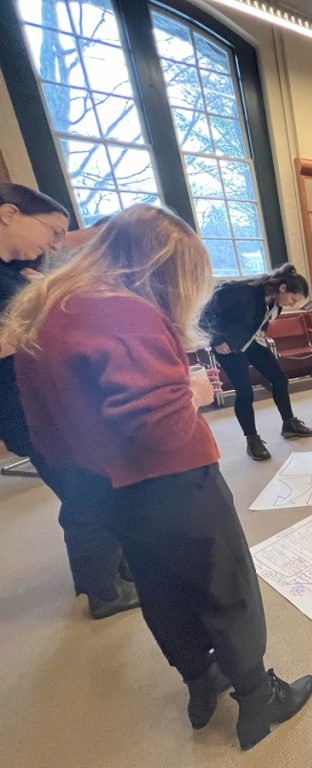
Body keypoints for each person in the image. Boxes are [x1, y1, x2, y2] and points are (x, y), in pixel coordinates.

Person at [4, 205, 312, 750]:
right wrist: (192, 394)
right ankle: (258, 700)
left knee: (160, 587)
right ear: (159, 265)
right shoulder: (122, 312)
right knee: (227, 585)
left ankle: (201, 684)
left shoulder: (43, 307)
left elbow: (39, 431)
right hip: (173, 482)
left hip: (101, 487)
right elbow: (162, 427)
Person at [0, 184, 138, 619]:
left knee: (105, 485)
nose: (56, 243)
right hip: (29, 412)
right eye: (53, 232)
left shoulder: (19, 265)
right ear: (8, 214)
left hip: (59, 402)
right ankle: (103, 591)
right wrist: (48, 304)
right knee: (88, 495)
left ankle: (119, 568)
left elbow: (71, 248)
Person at [202, 263, 312, 461]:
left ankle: (289, 424)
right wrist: (216, 339)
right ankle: (252, 440)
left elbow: (262, 320)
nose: (292, 304)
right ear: (282, 287)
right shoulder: (243, 291)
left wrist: (263, 330)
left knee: (279, 379)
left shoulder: (275, 303)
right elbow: (205, 311)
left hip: (251, 341)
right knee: (245, 392)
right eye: (292, 298)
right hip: (228, 346)